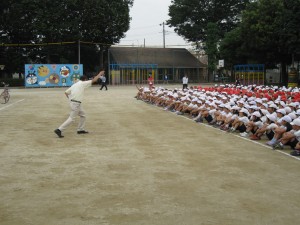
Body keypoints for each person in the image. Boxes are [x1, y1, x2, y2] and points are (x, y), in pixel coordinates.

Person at [54, 70, 105, 138]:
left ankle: (80, 129)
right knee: (71, 118)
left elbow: (66, 93)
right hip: (76, 103)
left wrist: (70, 99)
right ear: (85, 80)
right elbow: (93, 80)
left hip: (76, 103)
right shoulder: (82, 83)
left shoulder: (75, 84)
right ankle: (59, 129)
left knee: (83, 115)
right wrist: (99, 74)